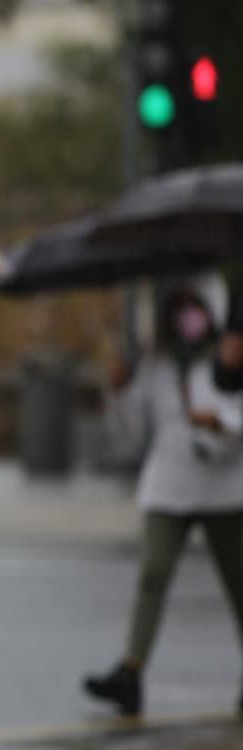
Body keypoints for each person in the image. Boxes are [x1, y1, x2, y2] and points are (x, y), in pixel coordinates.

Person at [84, 285, 243, 718]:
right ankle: (131, 672)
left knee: (238, 585)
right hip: (169, 485)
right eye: (180, 309)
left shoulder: (228, 360)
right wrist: (118, 392)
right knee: (153, 574)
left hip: (226, 489)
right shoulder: (159, 367)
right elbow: (134, 432)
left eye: (195, 309)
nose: (187, 319)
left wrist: (220, 423)